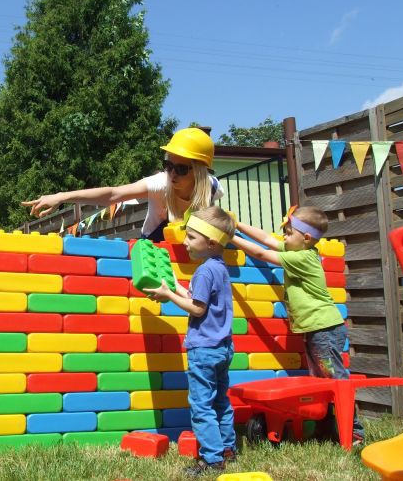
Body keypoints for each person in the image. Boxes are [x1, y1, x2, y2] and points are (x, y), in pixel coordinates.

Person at [230, 205, 365, 445]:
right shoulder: (298, 248)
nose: (283, 236)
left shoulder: (302, 257)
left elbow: (262, 254)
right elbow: (265, 239)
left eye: (288, 232)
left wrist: (229, 237)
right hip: (315, 329)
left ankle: (353, 431)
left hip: (324, 328)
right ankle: (327, 427)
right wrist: (237, 224)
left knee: (336, 380)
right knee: (321, 382)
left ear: (306, 238)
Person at [144, 206, 237, 476]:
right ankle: (227, 449)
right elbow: (198, 299)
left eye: (191, 237)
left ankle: (211, 460)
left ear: (210, 242)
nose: (185, 242)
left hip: (204, 349)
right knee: (221, 401)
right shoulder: (218, 268)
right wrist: (174, 286)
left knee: (201, 405)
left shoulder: (205, 271)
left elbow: (197, 309)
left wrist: (169, 297)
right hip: (222, 348)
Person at [21, 128, 223, 241]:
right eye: (168, 165)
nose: (171, 174)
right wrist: (62, 196)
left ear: (199, 171)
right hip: (154, 245)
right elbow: (113, 194)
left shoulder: (212, 188)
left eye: (180, 169)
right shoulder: (161, 184)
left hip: (190, 247)